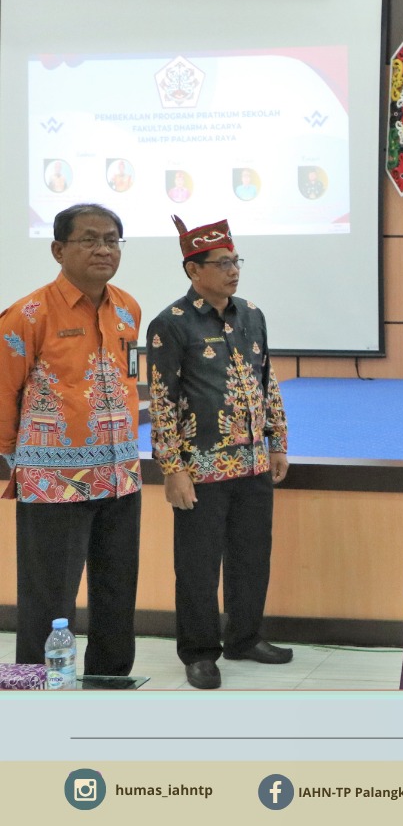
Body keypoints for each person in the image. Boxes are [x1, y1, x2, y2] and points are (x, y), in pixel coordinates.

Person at [147, 216, 291, 689]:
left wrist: (277, 442)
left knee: (252, 556)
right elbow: (162, 401)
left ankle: (245, 638)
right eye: (223, 263)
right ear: (194, 269)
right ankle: (199, 652)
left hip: (252, 463)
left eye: (236, 261)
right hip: (200, 468)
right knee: (198, 565)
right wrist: (172, 469)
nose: (234, 271)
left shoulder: (252, 314)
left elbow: (267, 380)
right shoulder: (170, 323)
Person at [0, 204, 141, 674]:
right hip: (54, 481)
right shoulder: (27, 314)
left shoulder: (127, 307)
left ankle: (110, 678)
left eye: (112, 240)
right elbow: (3, 391)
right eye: (90, 239)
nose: (104, 249)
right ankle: (41, 687)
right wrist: (10, 461)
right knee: (49, 595)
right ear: (59, 250)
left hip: (121, 475)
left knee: (117, 589)